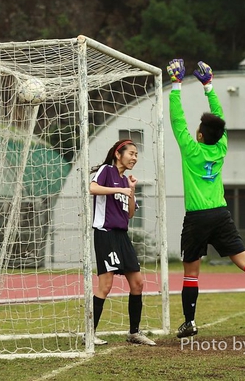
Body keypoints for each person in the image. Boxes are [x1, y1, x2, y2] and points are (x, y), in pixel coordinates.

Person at [166, 58, 245, 339]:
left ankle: (190, 322)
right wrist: (209, 86)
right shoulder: (221, 147)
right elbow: (219, 120)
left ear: (199, 135)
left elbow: (177, 119)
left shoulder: (191, 149)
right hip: (221, 214)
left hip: (198, 217)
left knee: (191, 272)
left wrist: (176, 84)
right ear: (219, 136)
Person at [89, 139, 156, 346]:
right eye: (131, 153)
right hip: (105, 233)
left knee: (138, 283)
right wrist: (118, 190)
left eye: (136, 155)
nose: (134, 158)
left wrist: (131, 190)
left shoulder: (125, 180)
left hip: (121, 235)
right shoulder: (106, 170)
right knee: (105, 285)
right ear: (119, 154)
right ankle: (89, 333)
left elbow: (129, 214)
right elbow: (92, 188)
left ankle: (134, 332)